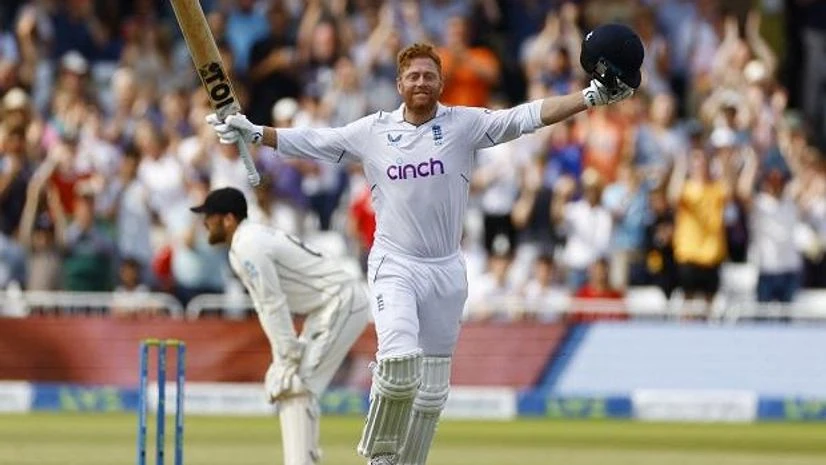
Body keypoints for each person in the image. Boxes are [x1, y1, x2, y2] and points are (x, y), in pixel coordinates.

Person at [207, 28, 640, 465]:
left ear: (440, 83)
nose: (420, 83)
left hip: (446, 269)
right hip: (395, 264)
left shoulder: (463, 125)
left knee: (431, 393)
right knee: (397, 366)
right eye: (412, 76)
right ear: (399, 84)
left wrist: (588, 98)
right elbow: (317, 141)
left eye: (429, 76)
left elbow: (526, 116)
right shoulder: (373, 131)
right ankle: (378, 456)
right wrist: (257, 132)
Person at [189, 187, 370, 465]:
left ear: (228, 219)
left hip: (342, 302)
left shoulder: (248, 244)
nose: (204, 223)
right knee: (289, 383)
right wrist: (284, 355)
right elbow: (266, 305)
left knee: (296, 384)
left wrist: (287, 355)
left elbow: (273, 304)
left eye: (209, 217)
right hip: (327, 308)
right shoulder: (246, 241)